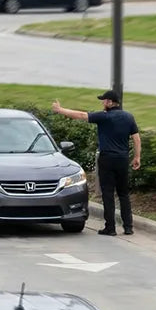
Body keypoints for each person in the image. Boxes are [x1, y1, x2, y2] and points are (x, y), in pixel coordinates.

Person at [52, 90, 141, 236]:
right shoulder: (128, 117)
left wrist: (60, 110)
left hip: (107, 158)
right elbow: (136, 138)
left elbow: (81, 115)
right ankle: (128, 227)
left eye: (104, 100)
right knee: (123, 193)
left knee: (108, 193)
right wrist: (137, 157)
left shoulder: (104, 117)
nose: (102, 103)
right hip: (123, 159)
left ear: (110, 102)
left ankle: (110, 228)